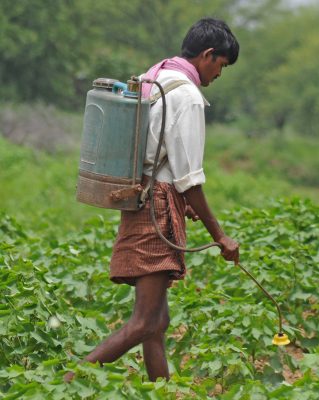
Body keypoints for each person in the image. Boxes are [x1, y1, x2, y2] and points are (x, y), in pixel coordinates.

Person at [65, 17, 240, 383]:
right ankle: (64, 384)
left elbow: (157, 155)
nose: (219, 74)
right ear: (208, 55)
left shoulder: (157, 77)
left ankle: (160, 390)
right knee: (145, 322)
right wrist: (220, 236)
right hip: (157, 207)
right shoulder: (188, 96)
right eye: (221, 65)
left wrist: (185, 201)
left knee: (157, 322)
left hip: (145, 196)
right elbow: (189, 179)